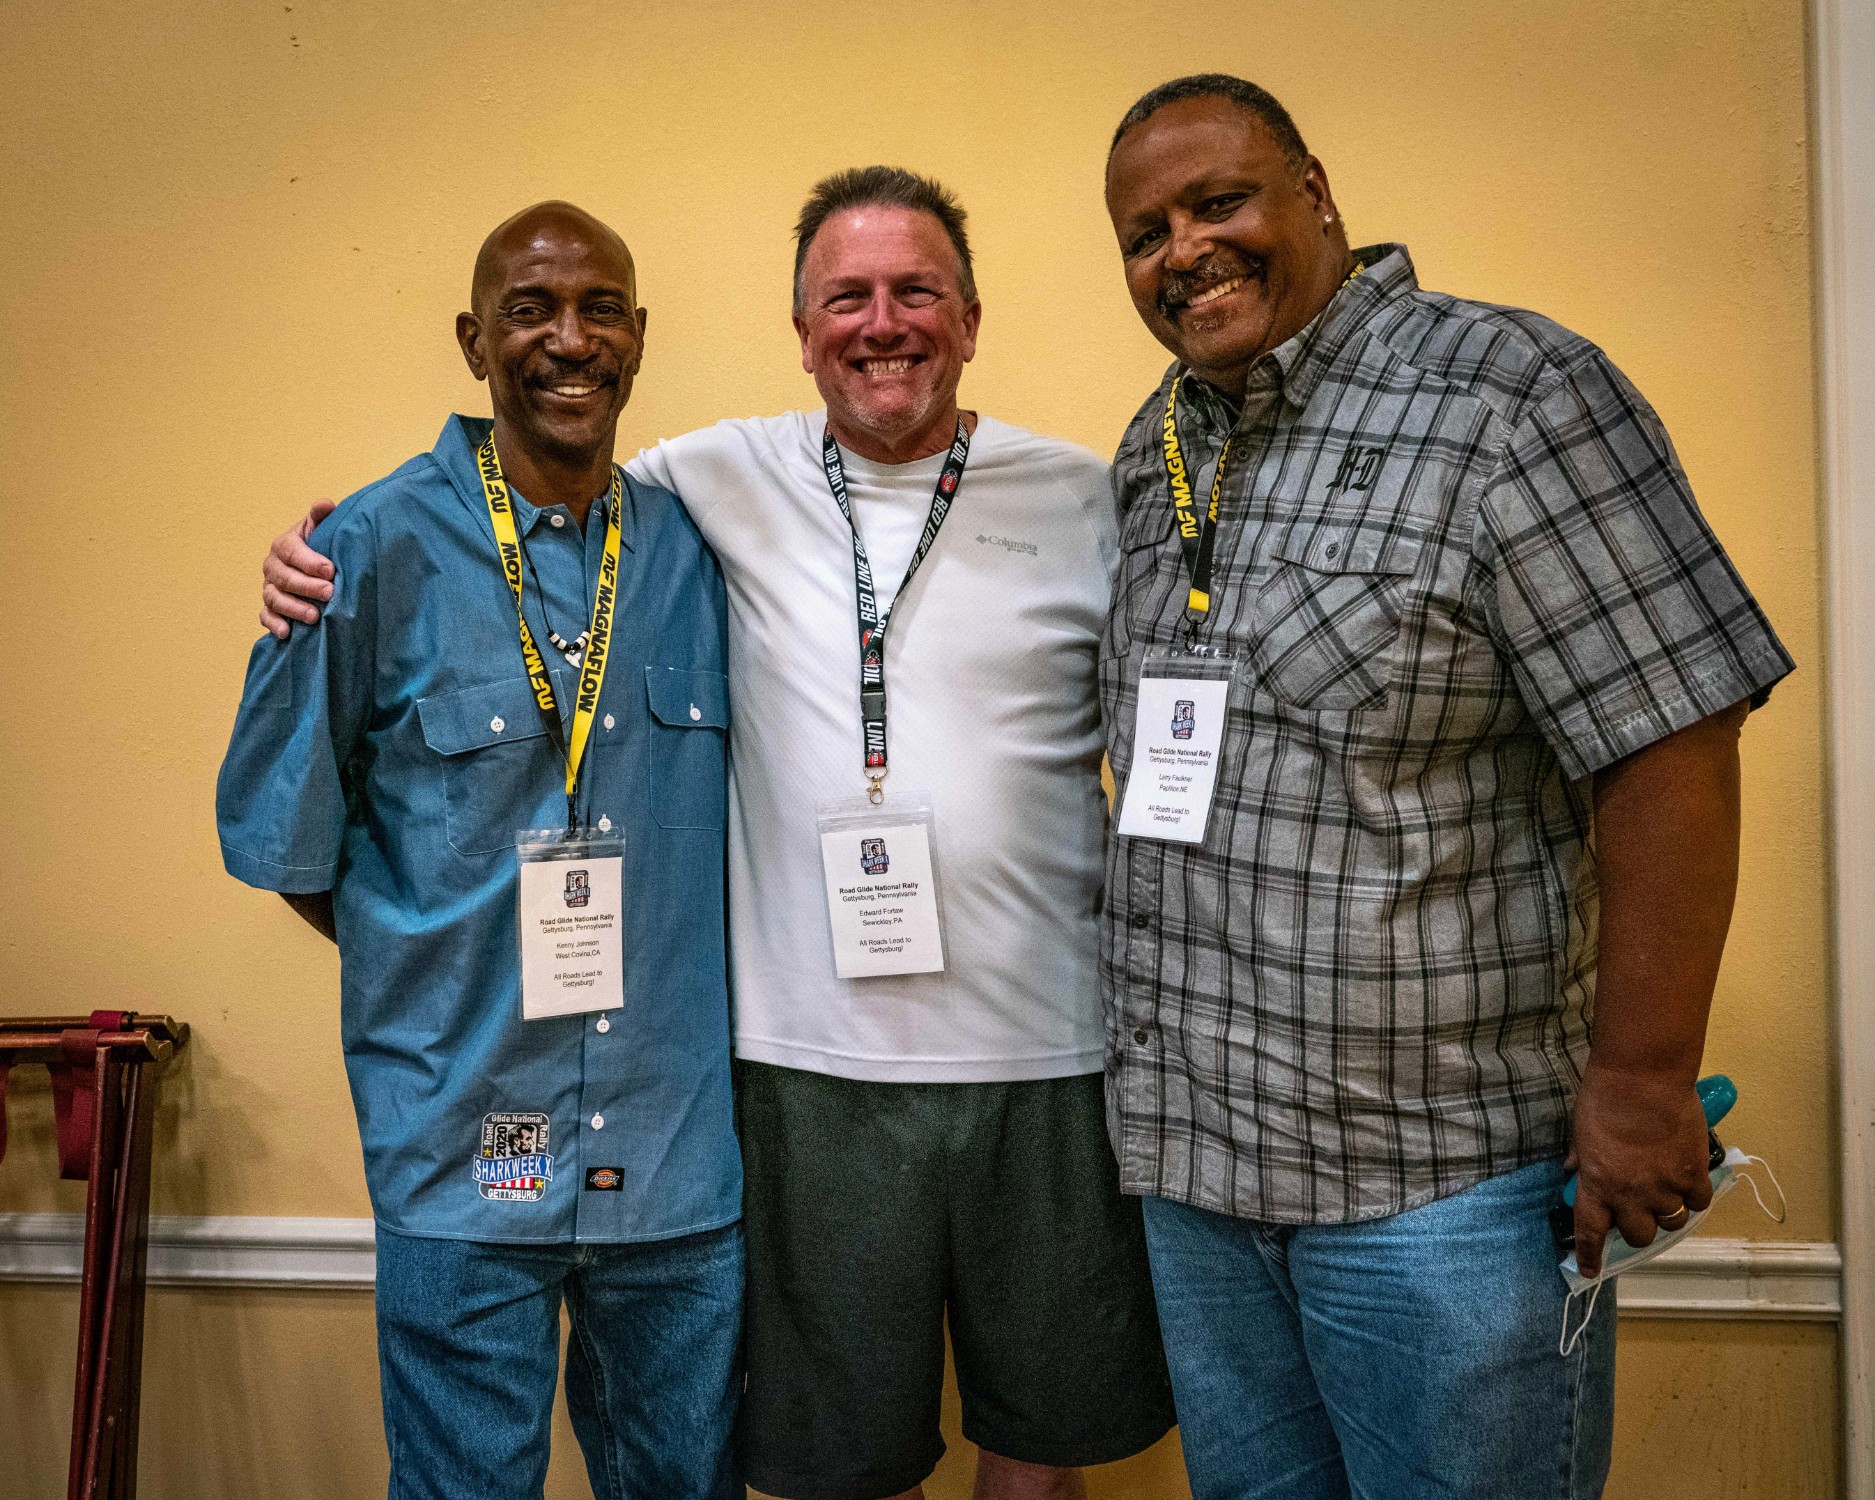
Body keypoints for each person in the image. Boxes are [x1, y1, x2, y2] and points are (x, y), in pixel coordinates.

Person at [256, 167, 1175, 1500]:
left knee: (1012, 1448)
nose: (881, 324)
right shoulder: (687, 491)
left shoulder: (1075, 500)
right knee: (820, 1460)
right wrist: (315, 557)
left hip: (996, 1070)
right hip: (750, 1087)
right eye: (845, 298)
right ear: (801, 333)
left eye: (916, 292)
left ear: (972, 318)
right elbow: (496, 506)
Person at [1098, 74, 1794, 1500]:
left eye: (1219, 203)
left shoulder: (1513, 399)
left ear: (1316, 193)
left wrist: (1643, 1084)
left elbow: (1671, 740)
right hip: (1202, 1182)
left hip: (1436, 1195)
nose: (1184, 251)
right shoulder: (1158, 447)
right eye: (1145, 234)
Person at [217, 202, 742, 1500]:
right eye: (530, 310)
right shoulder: (363, 550)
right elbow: (291, 845)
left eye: (601, 309)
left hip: (674, 1162)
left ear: (638, 335)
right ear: (472, 341)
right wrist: (442, 963)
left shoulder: (702, 554)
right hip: (463, 1151)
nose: (570, 339)